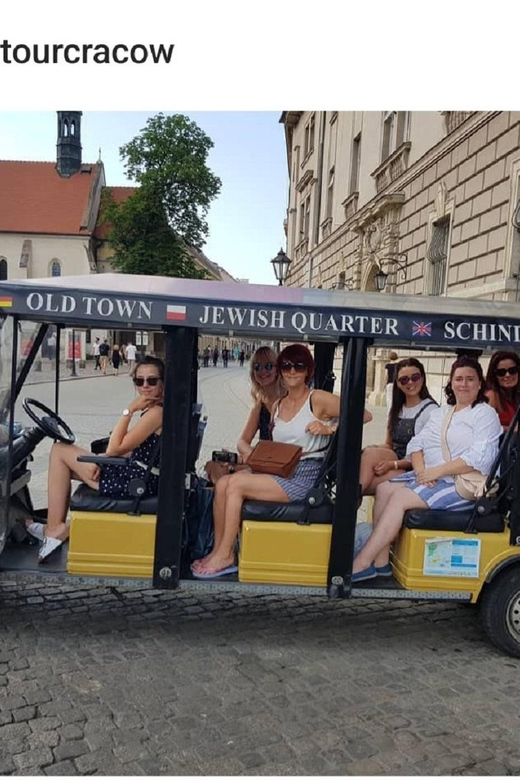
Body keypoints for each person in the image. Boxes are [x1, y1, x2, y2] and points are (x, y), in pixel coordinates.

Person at [192, 344, 372, 579]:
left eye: (299, 366)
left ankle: (226, 555)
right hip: (282, 471)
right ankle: (218, 549)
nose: (292, 371)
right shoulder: (277, 405)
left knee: (236, 485)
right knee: (225, 482)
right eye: (286, 366)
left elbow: (364, 414)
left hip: (305, 475)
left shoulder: (316, 398)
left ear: (308, 370)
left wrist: (330, 428)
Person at [352, 355, 502, 582]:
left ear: (480, 383)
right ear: (451, 382)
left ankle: (362, 562)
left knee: (400, 498)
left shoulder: (484, 414)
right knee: (384, 489)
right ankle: (381, 562)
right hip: (434, 476)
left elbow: (479, 457)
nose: (464, 384)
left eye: (470, 379)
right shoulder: (444, 412)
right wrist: (423, 472)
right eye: (459, 379)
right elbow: (417, 444)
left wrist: (436, 472)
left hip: (463, 483)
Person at [26, 357, 165, 563]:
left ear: (163, 382)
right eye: (139, 381)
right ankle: (54, 528)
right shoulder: (156, 409)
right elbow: (128, 450)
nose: (145, 386)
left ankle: (55, 530)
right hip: (138, 471)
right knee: (63, 465)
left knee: (59, 451)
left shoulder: (156, 413)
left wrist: (129, 410)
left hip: (137, 480)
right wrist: (103, 459)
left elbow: (114, 448)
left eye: (152, 381)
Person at [359, 358, 438, 496]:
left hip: (415, 466)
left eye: (415, 377)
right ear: (398, 384)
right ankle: (352, 495)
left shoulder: (431, 411)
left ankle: (347, 501)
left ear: (423, 378)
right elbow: (389, 444)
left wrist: (392, 465)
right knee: (368, 454)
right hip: (395, 456)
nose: (411, 383)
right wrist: (371, 448)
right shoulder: (397, 408)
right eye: (404, 380)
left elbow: (425, 455)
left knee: (371, 484)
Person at [235, 346, 285, 461]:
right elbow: (242, 442)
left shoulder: (289, 398)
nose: (262, 371)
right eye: (257, 367)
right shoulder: (259, 404)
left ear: (277, 370)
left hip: (286, 463)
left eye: (268, 366)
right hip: (265, 463)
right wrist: (254, 455)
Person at [485, 350, 520, 430]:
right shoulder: (492, 395)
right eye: (501, 372)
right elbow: (487, 427)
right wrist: (513, 430)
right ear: (494, 375)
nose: (507, 375)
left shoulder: (516, 395)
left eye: (512, 370)